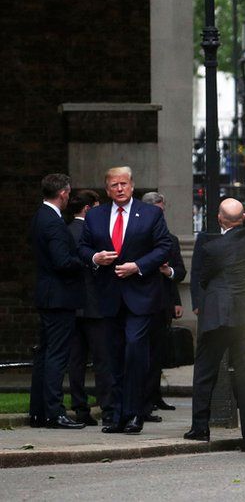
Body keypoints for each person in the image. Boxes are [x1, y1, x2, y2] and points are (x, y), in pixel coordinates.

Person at [78, 166, 171, 435]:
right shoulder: (95, 216)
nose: (119, 189)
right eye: (114, 185)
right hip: (107, 296)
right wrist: (95, 258)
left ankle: (135, 413)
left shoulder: (151, 213)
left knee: (134, 352)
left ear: (132, 186)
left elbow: (164, 246)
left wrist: (138, 266)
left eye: (124, 184)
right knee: (111, 357)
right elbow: (83, 247)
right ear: (107, 189)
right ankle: (114, 414)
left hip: (140, 296)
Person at [184, 181, 245, 451]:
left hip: (217, 316)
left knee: (205, 371)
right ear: (244, 218)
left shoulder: (211, 247)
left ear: (219, 219)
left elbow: (203, 277)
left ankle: (200, 428)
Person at [28, 174, 87, 430]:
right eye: (68, 193)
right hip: (59, 297)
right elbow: (62, 261)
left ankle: (39, 412)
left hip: (48, 295)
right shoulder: (53, 222)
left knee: (44, 355)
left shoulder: (41, 216)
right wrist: (88, 262)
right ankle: (54, 413)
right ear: (63, 193)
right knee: (56, 356)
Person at [66, 189, 114, 426]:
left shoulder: (65, 231)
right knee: (102, 359)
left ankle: (80, 407)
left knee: (76, 360)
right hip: (95, 303)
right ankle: (107, 408)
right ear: (88, 208)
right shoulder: (92, 231)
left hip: (73, 305)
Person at [140, 191, 186, 420]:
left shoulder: (171, 239)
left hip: (163, 302)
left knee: (158, 354)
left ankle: (154, 396)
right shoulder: (138, 237)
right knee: (144, 354)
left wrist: (176, 300)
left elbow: (179, 272)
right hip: (141, 302)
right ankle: (144, 399)